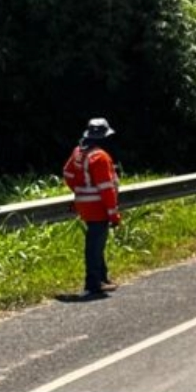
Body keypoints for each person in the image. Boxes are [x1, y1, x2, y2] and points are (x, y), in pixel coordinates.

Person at [62, 118, 121, 298]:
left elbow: (67, 173)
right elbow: (106, 188)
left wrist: (80, 191)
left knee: (96, 242)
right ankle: (94, 282)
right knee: (95, 245)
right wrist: (114, 214)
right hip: (98, 207)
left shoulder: (78, 152)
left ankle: (102, 278)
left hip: (84, 205)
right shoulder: (100, 157)